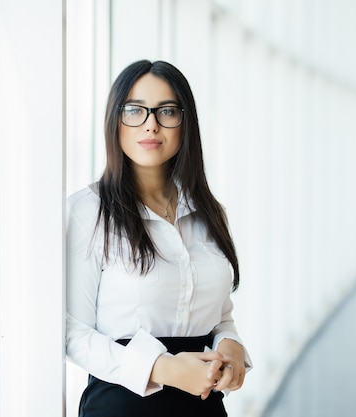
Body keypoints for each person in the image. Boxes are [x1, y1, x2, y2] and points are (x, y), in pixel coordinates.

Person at [66, 60, 252, 417]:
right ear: (115, 121)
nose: (151, 123)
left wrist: (231, 345)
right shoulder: (87, 213)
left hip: (203, 408)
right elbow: (72, 333)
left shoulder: (210, 213)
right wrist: (162, 368)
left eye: (167, 111)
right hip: (123, 408)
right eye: (135, 110)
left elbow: (220, 316)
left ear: (185, 123)